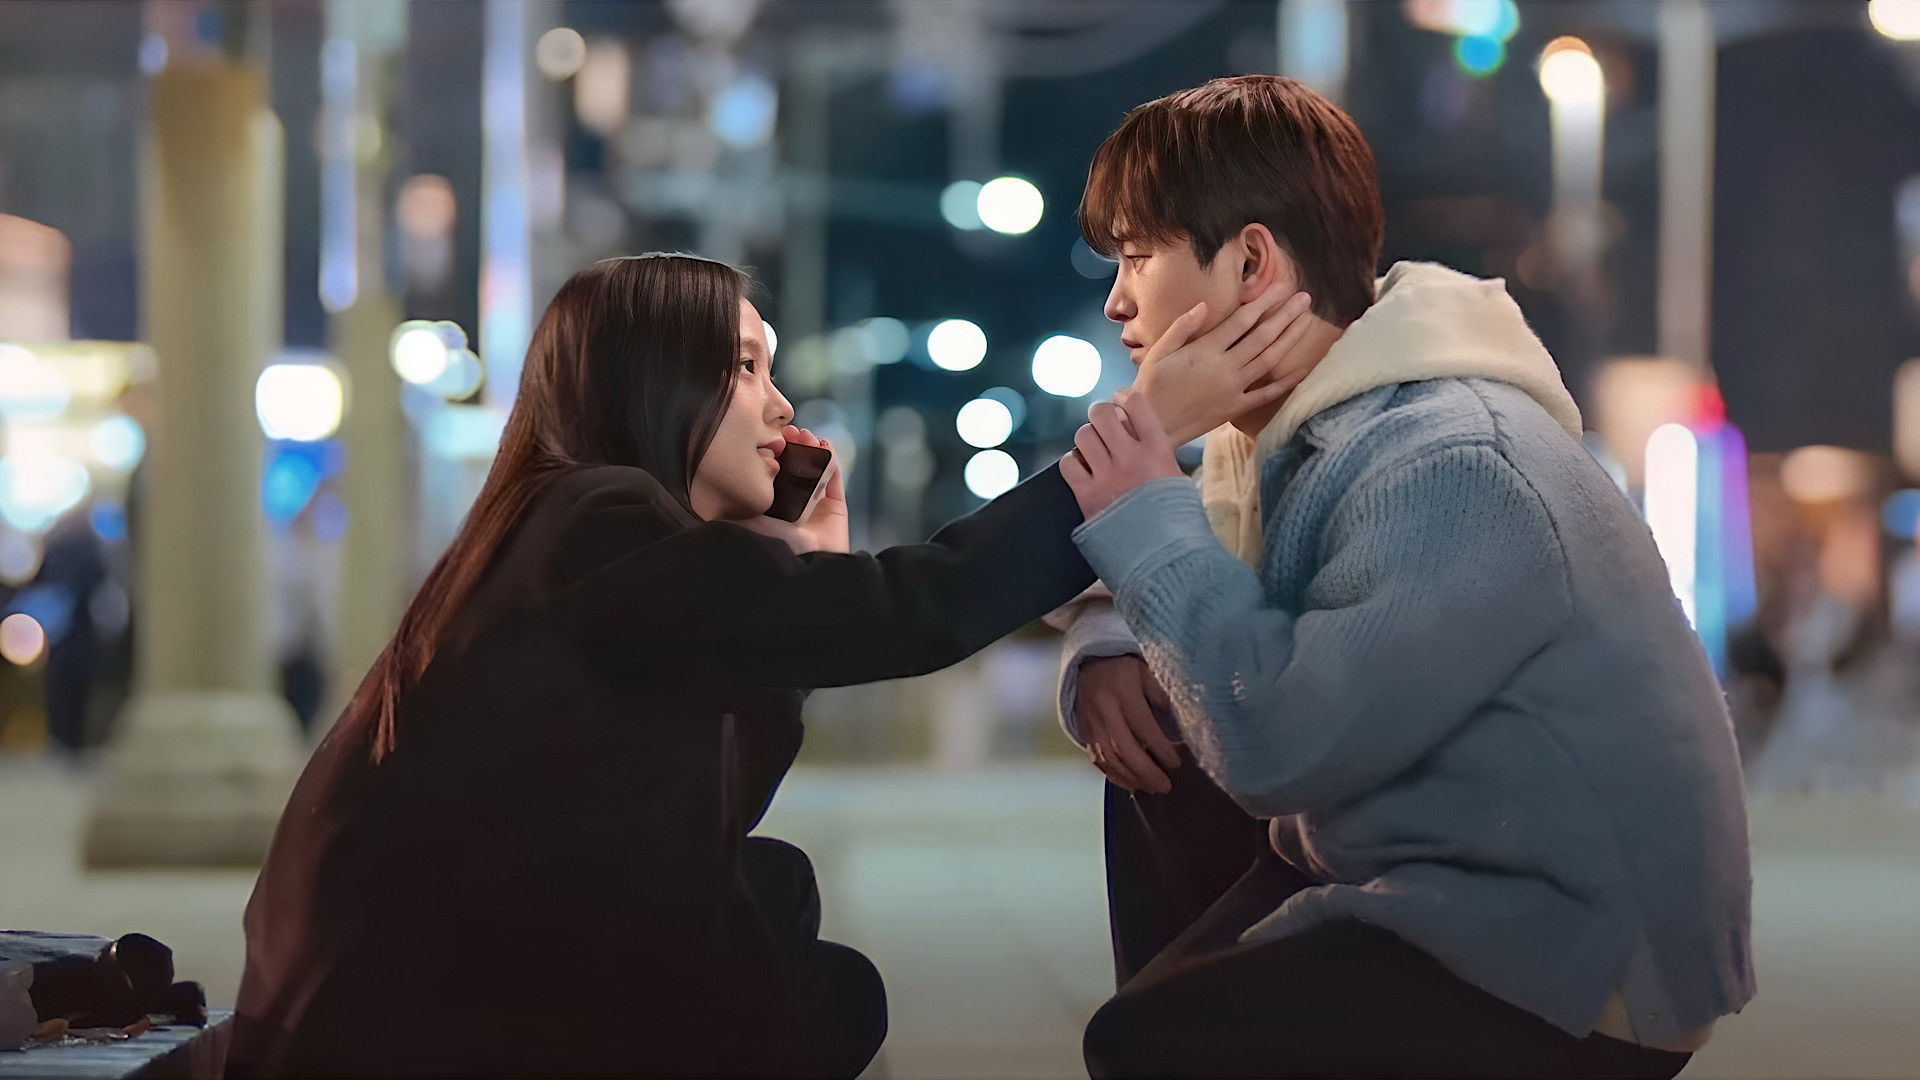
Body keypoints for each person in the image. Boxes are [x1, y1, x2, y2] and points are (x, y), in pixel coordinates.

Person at [232, 252, 1306, 1079]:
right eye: (745, 367)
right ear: (655, 380)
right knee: (826, 993)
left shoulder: (573, 531)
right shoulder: (598, 519)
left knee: (772, 890)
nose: (782, 407)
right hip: (419, 1020)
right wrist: (1135, 441)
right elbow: (916, 610)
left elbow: (699, 807)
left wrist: (797, 580)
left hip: (403, 994)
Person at [1052, 76, 1754, 1079]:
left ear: (1250, 262)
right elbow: (1174, 573)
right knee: (1156, 750)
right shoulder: (1305, 432)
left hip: (1579, 951)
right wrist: (1108, 641)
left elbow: (1277, 745)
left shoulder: (1451, 459)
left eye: (1137, 256)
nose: (1118, 300)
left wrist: (1141, 514)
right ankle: (1192, 990)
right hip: (1433, 870)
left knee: (1149, 1045)